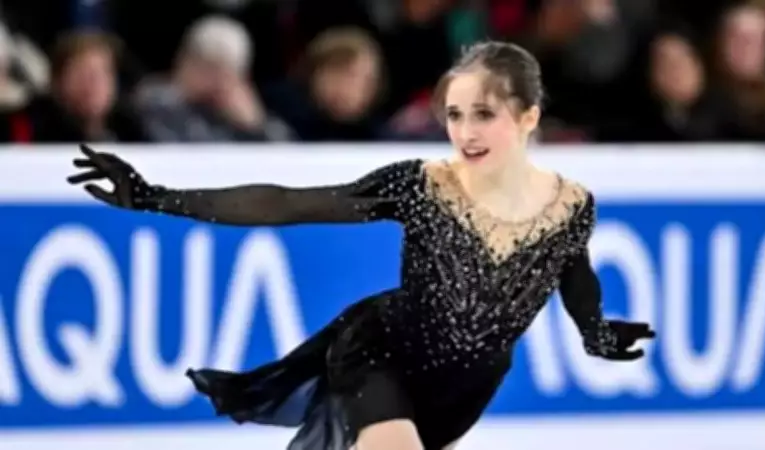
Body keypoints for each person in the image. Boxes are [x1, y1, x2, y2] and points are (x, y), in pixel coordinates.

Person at [66, 41, 655, 450]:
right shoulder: (423, 187)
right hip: (383, 353)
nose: (466, 133)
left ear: (528, 118)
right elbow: (290, 203)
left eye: (484, 114)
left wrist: (594, 332)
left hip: (468, 385)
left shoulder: (569, 207)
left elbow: (573, 273)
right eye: (455, 115)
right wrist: (156, 197)